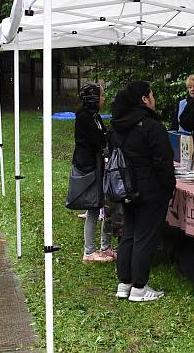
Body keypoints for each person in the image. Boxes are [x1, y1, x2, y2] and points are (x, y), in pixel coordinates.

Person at [111, 81, 176, 302]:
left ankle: (124, 283)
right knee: (145, 237)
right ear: (144, 99)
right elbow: (163, 161)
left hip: (126, 188)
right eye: (152, 95)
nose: (154, 99)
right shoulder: (151, 126)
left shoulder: (119, 125)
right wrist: (169, 186)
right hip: (150, 190)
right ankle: (139, 287)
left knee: (129, 234)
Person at [74, 83, 120, 262]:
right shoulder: (84, 117)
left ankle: (105, 246)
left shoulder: (95, 117)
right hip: (89, 166)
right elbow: (99, 140)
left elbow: (104, 138)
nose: (104, 98)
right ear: (93, 98)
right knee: (94, 207)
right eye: (101, 95)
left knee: (104, 204)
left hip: (98, 163)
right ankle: (89, 250)